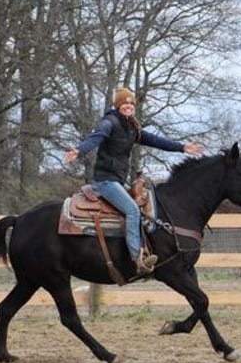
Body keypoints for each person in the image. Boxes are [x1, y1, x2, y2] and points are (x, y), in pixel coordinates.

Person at [65, 87, 204, 275]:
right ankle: (136, 258)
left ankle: (144, 248)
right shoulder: (110, 123)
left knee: (142, 207)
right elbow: (96, 137)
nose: (128, 106)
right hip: (105, 181)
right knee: (132, 209)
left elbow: (156, 140)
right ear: (118, 105)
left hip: (118, 180)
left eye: (131, 103)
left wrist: (182, 147)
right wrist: (79, 150)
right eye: (124, 103)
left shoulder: (132, 127)